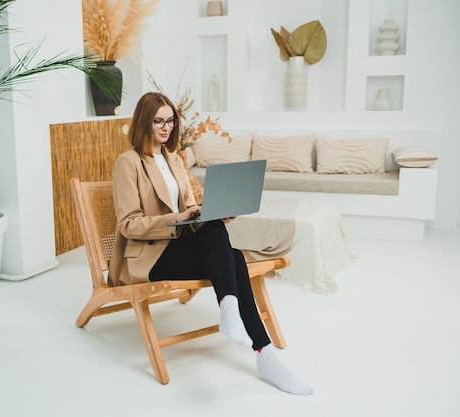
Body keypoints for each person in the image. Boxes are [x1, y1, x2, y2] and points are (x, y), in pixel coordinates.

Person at [108, 92, 313, 395]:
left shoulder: (174, 159)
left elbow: (192, 211)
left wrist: (215, 213)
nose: (166, 127)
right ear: (144, 122)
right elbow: (129, 225)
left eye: (171, 120)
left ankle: (257, 344)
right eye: (158, 121)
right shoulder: (128, 163)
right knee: (234, 258)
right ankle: (252, 337)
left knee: (225, 240)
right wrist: (181, 216)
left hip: (178, 244)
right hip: (149, 258)